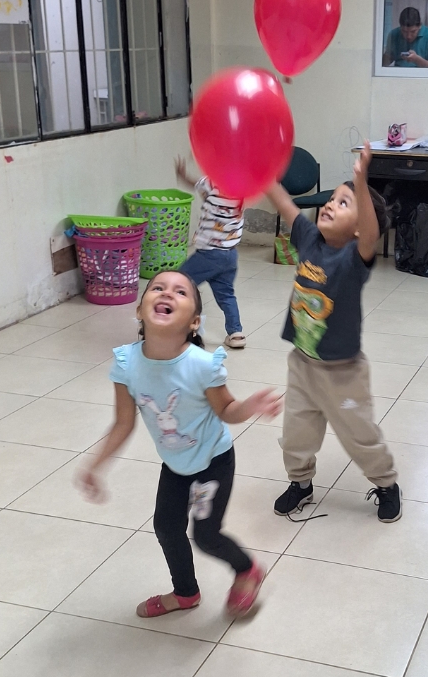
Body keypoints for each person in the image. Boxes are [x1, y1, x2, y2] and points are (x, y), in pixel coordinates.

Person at [77, 270, 280, 616]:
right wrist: (95, 466)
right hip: (175, 464)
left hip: (213, 462)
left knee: (206, 536)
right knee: (167, 528)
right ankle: (186, 593)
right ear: (139, 311)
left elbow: (226, 410)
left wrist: (249, 407)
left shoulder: (202, 366)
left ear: (194, 322)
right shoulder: (126, 363)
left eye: (180, 292)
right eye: (157, 288)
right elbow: (123, 423)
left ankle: (247, 569)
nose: (167, 293)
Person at [265, 142, 401, 523]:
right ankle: (301, 483)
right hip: (303, 364)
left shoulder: (354, 258)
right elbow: (284, 202)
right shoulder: (309, 238)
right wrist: (262, 172)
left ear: (358, 227)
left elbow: (371, 234)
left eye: (344, 203)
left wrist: (361, 180)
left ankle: (386, 483)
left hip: (343, 372)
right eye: (332, 200)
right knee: (296, 434)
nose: (329, 205)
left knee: (359, 435)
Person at [174, 154, 246, 349]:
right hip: (230, 254)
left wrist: (182, 174)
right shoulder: (242, 192)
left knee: (179, 284)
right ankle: (236, 333)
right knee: (226, 294)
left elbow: (196, 184)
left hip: (209, 254)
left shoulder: (211, 183)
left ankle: (178, 326)